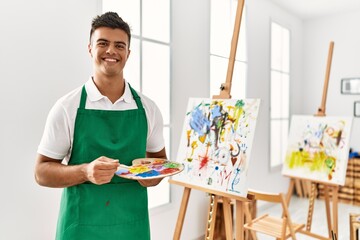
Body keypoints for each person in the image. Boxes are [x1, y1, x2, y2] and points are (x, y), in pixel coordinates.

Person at [34, 12, 167, 240]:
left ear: (128, 53)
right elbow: (41, 172)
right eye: (103, 43)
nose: (111, 51)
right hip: (80, 227)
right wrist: (85, 171)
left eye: (119, 45)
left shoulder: (149, 109)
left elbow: (160, 164)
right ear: (90, 48)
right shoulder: (67, 107)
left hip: (131, 227)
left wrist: (152, 176)